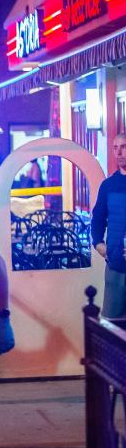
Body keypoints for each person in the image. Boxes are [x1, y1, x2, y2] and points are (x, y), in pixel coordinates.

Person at [91, 133, 126, 319]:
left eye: (124, 146)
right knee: (112, 327)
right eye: (115, 147)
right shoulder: (108, 186)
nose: (119, 152)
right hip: (116, 267)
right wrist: (98, 243)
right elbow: (97, 218)